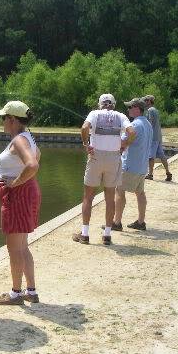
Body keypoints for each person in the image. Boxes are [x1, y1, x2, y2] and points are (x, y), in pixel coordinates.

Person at [0, 101, 41, 305]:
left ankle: (15, 293)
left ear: (12, 119)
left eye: (3, 118)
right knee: (22, 246)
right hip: (26, 193)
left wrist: (16, 182)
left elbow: (32, 164)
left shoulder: (20, 140)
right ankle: (31, 291)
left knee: (14, 248)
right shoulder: (27, 136)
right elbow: (38, 156)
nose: (2, 122)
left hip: (18, 195)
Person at [72, 93, 134, 246]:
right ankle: (107, 235)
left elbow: (84, 127)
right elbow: (132, 132)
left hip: (96, 157)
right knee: (110, 198)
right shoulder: (120, 116)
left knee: (88, 197)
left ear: (101, 104)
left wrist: (86, 144)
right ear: (113, 104)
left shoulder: (94, 113)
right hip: (113, 157)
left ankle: (85, 234)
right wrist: (124, 144)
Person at [114, 98, 153, 231]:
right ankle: (141, 222)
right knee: (140, 193)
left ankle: (116, 223)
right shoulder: (147, 124)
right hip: (142, 166)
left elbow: (122, 143)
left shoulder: (134, 125)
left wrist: (115, 136)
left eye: (130, 107)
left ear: (137, 108)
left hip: (130, 166)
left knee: (119, 191)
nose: (128, 109)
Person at [144, 95, 172, 182]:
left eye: (146, 100)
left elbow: (150, 123)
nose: (144, 102)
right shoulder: (155, 110)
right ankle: (168, 172)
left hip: (153, 137)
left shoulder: (150, 110)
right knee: (162, 155)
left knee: (150, 157)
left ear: (149, 101)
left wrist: (147, 135)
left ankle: (150, 174)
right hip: (158, 136)